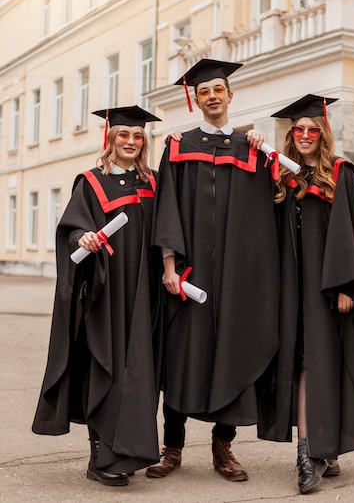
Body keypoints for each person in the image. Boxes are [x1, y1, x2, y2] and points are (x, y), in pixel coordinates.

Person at [147, 58, 280, 482]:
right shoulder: (178, 145)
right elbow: (167, 206)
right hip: (191, 276)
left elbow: (268, 209)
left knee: (232, 351)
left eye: (218, 89)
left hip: (237, 277)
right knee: (182, 355)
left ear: (230, 95)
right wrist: (169, 264)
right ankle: (172, 447)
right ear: (197, 99)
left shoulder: (250, 149)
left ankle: (224, 449)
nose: (212, 96)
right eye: (204, 91)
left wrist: (263, 146)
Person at [32, 105, 164, 487]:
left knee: (139, 371)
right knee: (105, 365)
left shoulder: (153, 183)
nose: (131, 141)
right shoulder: (90, 182)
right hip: (107, 292)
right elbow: (72, 229)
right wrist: (83, 238)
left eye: (137, 136)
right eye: (124, 135)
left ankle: (130, 452)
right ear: (109, 138)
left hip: (146, 291)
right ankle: (100, 455)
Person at [256, 94, 354, 494]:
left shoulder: (340, 173)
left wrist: (346, 285)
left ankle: (312, 452)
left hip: (329, 288)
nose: (306, 135)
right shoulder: (283, 178)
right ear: (291, 136)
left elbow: (348, 234)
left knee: (325, 362)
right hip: (291, 286)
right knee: (300, 362)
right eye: (299, 130)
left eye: (313, 129)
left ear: (322, 134)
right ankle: (319, 447)